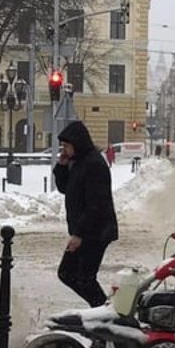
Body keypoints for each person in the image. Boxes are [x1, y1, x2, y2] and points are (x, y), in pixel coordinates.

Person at [53, 121, 119, 307]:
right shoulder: (79, 162)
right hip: (87, 230)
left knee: (82, 277)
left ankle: (105, 314)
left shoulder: (93, 164)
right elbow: (65, 188)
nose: (64, 150)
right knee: (70, 274)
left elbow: (96, 205)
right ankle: (103, 311)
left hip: (96, 232)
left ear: (77, 143)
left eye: (66, 146)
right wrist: (61, 167)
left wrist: (79, 234)